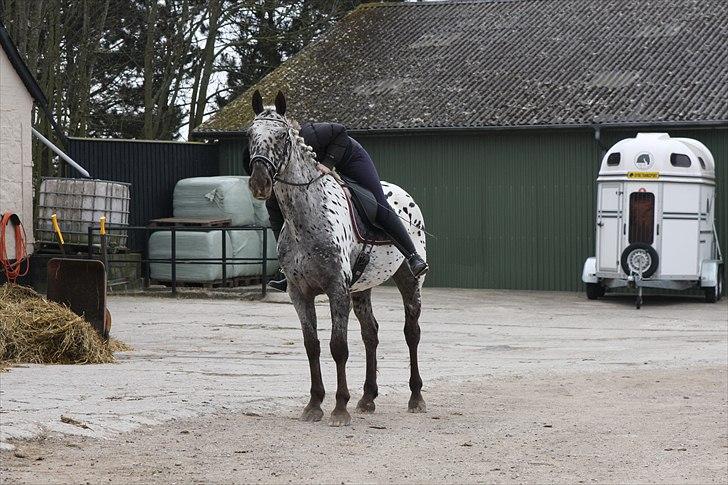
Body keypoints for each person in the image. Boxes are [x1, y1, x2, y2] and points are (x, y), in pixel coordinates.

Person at [244, 122, 428, 292]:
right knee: (273, 206)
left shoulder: (310, 134)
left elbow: (340, 131)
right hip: (321, 168)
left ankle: (412, 256)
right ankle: (287, 270)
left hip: (349, 160)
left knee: (378, 203)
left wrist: (328, 163)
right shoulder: (264, 148)